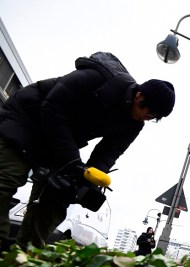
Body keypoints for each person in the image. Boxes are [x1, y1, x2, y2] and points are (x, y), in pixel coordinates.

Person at [0, 52, 175, 250]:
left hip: (59, 140)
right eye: (149, 111)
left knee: (57, 198)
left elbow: (107, 154)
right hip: (26, 120)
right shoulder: (100, 79)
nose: (148, 117)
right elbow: (52, 108)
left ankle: (24, 254)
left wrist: (87, 180)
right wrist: (72, 161)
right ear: (139, 95)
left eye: (154, 117)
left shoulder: (133, 125)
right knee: (5, 181)